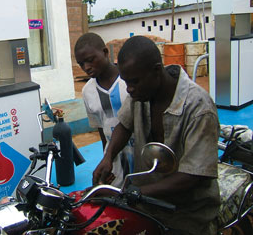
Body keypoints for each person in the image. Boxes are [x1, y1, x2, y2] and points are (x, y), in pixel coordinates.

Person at [92, 36, 220, 235]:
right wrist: (108, 156)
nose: (129, 89)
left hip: (186, 213)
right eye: (126, 82)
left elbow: (193, 175)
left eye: (134, 82)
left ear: (156, 70)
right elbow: (124, 125)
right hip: (146, 205)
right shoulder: (140, 94)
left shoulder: (199, 108)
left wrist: (132, 192)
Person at [74, 32, 134, 187]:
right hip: (114, 160)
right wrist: (106, 158)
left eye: (90, 60)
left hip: (140, 153)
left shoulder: (130, 80)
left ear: (105, 52)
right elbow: (101, 131)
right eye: (81, 64)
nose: (86, 67)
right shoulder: (88, 91)